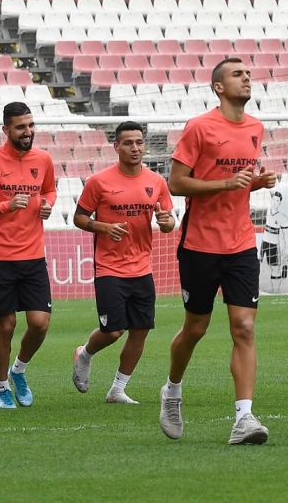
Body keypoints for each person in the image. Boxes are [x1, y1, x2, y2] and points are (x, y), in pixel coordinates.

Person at [160, 58, 277, 444]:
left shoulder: (256, 128)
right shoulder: (199, 127)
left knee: (243, 327)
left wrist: (255, 183)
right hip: (200, 244)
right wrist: (226, 183)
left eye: (248, 72)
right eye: (237, 74)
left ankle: (244, 418)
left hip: (242, 242)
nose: (247, 77)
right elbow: (176, 183)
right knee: (195, 328)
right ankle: (172, 391)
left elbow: (237, 185)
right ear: (218, 87)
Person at [71, 122, 175, 404]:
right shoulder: (99, 181)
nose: (135, 148)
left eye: (139, 142)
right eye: (128, 143)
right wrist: (103, 227)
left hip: (142, 268)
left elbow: (168, 223)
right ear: (116, 147)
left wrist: (167, 222)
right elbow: (79, 218)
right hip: (109, 268)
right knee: (113, 331)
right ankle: (84, 354)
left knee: (140, 331)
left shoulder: (157, 182)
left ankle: (117, 389)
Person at [0, 102, 56, 409]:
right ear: (6, 130)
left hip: (33, 255)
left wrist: (47, 204)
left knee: (40, 323)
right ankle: (1, 387)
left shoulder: (43, 159)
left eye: (30, 125)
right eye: (20, 127)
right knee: (5, 326)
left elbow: (51, 189)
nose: (27, 131)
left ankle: (19, 370)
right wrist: (5, 206)